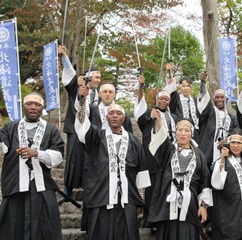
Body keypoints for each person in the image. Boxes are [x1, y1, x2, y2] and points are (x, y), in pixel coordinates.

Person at [75, 86, 150, 240]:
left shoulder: (134, 141)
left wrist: (140, 201)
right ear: (106, 117)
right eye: (111, 113)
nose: (115, 116)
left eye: (119, 113)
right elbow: (82, 127)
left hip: (127, 199)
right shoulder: (96, 136)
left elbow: (142, 172)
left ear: (124, 118)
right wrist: (82, 102)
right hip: (101, 196)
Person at [0, 93, 64, 239]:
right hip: (16, 184)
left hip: (41, 185)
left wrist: (37, 153)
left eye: (37, 105)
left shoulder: (50, 129)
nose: (33, 107)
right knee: (13, 226)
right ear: (23, 106)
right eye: (29, 104)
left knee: (44, 225)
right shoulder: (10, 127)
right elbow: (3, 148)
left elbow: (58, 156)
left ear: (43, 109)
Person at [148, 108, 212, 240]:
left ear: (191, 134)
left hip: (190, 207)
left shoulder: (199, 156)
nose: (182, 134)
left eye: (187, 130)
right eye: (179, 130)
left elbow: (204, 182)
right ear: (175, 132)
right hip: (167, 205)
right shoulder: (168, 150)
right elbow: (161, 138)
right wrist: (159, 120)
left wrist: (203, 206)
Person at [134, 74, 178, 232]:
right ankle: (151, 219)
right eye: (161, 99)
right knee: (151, 188)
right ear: (157, 101)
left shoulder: (174, 117)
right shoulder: (148, 116)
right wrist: (141, 87)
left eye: (166, 99)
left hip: (170, 156)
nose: (163, 102)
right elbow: (139, 107)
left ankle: (164, 217)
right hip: (152, 158)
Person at [58, 45, 101, 203]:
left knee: (90, 159)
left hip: (93, 131)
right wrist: (64, 57)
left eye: (99, 77)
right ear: (87, 77)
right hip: (75, 129)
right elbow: (69, 73)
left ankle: (88, 187)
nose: (98, 79)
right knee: (73, 159)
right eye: (95, 76)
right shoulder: (77, 87)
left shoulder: (100, 94)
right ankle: (67, 189)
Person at [197, 71, 238, 168]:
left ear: (226, 100)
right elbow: (203, 104)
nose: (220, 99)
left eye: (222, 97)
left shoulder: (232, 117)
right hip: (208, 153)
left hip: (225, 151)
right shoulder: (209, 112)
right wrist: (203, 83)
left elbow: (236, 132)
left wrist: (227, 140)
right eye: (217, 97)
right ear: (213, 100)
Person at [163, 63, 199, 141]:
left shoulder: (195, 101)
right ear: (180, 87)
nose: (185, 88)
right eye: (183, 86)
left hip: (194, 132)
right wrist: (169, 73)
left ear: (191, 87)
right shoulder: (175, 99)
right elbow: (171, 87)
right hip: (179, 132)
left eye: (188, 86)